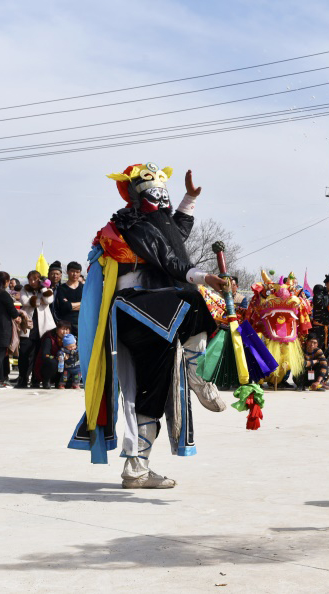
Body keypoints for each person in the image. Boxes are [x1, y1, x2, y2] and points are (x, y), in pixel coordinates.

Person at [67, 163, 228, 489]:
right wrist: (203, 276)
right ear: (134, 191)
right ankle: (198, 376)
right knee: (193, 296)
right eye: (151, 185)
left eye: (161, 185)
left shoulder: (152, 223)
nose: (159, 190)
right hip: (135, 307)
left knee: (153, 391)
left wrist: (189, 199)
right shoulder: (131, 224)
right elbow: (170, 257)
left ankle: (136, 469)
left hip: (157, 319)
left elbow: (173, 237)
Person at [0, 272, 29, 389]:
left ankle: (0, 379)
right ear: (5, 282)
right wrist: (18, 316)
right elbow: (12, 310)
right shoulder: (4, 294)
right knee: (1, 354)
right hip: (3, 327)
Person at [17, 270, 56, 388]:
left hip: (44, 328)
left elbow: (49, 300)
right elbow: (24, 301)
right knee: (24, 354)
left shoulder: (46, 290)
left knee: (39, 355)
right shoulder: (25, 289)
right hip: (28, 326)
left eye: (35, 279)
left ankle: (36, 379)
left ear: (39, 279)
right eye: (30, 279)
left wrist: (43, 287)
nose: (32, 282)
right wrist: (40, 301)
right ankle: (22, 379)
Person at [35, 320, 70, 389]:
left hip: (63, 365)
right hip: (49, 364)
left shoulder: (70, 340)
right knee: (52, 362)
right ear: (57, 330)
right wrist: (57, 358)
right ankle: (46, 380)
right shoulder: (49, 338)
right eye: (63, 329)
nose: (65, 332)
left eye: (67, 329)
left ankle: (60, 382)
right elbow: (45, 354)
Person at [54, 261, 84, 336]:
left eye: (77, 272)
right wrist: (82, 304)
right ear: (67, 272)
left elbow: (88, 305)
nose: (75, 274)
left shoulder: (84, 288)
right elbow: (65, 306)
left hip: (82, 323)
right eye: (72, 271)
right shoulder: (61, 288)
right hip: (66, 325)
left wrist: (70, 305)